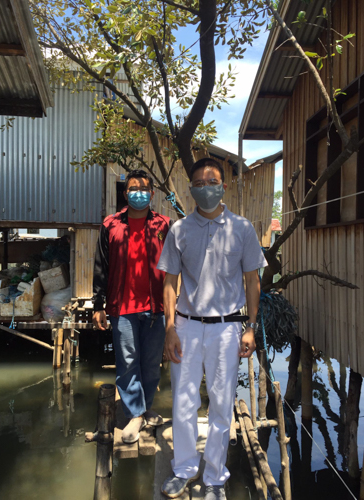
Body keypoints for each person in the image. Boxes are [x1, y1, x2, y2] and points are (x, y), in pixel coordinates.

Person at [157, 158, 267, 500]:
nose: (207, 188)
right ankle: (185, 469)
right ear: (191, 189)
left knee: (221, 403)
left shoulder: (242, 228)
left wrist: (250, 326)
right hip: (187, 326)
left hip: (227, 329)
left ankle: (215, 478)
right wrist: (170, 327)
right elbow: (169, 282)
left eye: (213, 181)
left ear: (223, 186)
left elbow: (252, 280)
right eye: (200, 182)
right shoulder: (179, 230)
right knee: (184, 402)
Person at [92, 169, 172, 444]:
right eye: (133, 188)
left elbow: (174, 267)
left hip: (156, 307)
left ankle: (143, 408)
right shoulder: (111, 224)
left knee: (151, 364)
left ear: (152, 193)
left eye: (144, 188)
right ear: (125, 193)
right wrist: (98, 304)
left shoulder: (163, 225)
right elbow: (101, 266)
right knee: (127, 364)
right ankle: (136, 414)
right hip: (121, 307)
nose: (139, 192)